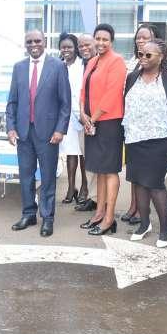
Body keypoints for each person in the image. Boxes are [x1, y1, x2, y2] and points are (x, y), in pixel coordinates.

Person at [6, 29, 71, 238]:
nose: (33, 45)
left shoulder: (58, 66)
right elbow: (12, 101)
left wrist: (60, 129)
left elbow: (65, 103)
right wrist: (11, 127)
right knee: (25, 176)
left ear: (44, 42)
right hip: (24, 133)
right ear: (25, 44)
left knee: (48, 177)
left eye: (37, 41)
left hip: (49, 133)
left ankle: (47, 218)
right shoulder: (19, 67)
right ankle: (28, 214)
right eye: (29, 42)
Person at [122, 40, 167, 246]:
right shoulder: (133, 77)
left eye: (148, 55)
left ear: (162, 57)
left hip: (161, 140)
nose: (143, 58)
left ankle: (165, 229)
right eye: (140, 54)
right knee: (139, 182)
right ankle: (144, 224)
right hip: (134, 138)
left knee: (155, 183)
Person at [79, 24, 127, 236]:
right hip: (91, 121)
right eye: (97, 38)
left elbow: (111, 94)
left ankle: (109, 219)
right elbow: (83, 90)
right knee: (98, 170)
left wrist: (92, 119)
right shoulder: (92, 61)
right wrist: (83, 113)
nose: (100, 43)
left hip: (109, 123)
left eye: (105, 39)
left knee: (109, 171)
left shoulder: (117, 61)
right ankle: (98, 214)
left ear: (111, 42)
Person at [121, 23, 158, 225]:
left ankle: (142, 211)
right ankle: (133, 206)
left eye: (145, 37)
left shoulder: (160, 65)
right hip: (132, 129)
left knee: (146, 174)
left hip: (151, 132)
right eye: (138, 37)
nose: (140, 40)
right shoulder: (134, 64)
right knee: (133, 171)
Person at [57, 33, 89, 206]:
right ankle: (71, 188)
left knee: (83, 153)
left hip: (83, 114)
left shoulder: (84, 64)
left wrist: (84, 113)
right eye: (63, 47)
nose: (66, 50)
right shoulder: (59, 65)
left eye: (69, 46)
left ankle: (84, 186)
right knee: (70, 152)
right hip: (66, 115)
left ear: (75, 48)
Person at [74, 32, 97, 212]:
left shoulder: (100, 64)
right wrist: (81, 116)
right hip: (81, 121)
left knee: (99, 163)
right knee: (88, 160)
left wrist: (92, 118)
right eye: (81, 46)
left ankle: (98, 200)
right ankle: (92, 197)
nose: (84, 48)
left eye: (87, 44)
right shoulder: (78, 66)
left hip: (100, 121)